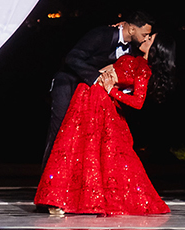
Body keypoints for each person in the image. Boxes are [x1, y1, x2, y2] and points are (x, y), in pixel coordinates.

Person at [35, 33, 175, 216]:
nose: (145, 39)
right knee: (71, 148)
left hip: (101, 104)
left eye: (150, 40)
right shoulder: (132, 58)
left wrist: (111, 91)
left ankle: (76, 201)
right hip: (86, 96)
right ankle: (57, 200)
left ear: (156, 50)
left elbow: (137, 102)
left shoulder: (144, 69)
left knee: (90, 153)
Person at [42, 13, 155, 167]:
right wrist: (97, 78)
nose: (145, 39)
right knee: (60, 135)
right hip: (68, 85)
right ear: (132, 29)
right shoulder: (102, 34)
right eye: (144, 34)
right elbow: (72, 58)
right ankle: (48, 183)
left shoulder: (132, 49)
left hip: (91, 96)